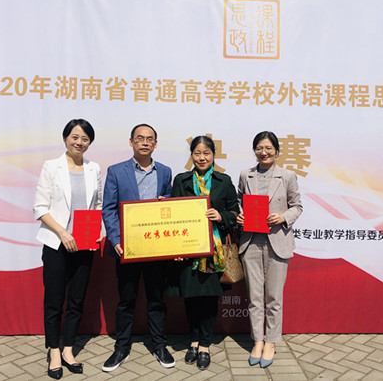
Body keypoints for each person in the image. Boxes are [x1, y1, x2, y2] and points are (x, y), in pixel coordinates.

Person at [101, 124, 175, 372]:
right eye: (140, 138)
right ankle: (122, 347)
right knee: (126, 300)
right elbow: (109, 209)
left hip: (156, 248)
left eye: (149, 139)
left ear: (155, 144)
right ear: (131, 142)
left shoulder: (165, 171)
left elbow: (169, 205)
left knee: (156, 299)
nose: (145, 142)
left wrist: (167, 202)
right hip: (127, 248)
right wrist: (116, 240)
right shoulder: (116, 171)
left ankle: (159, 345)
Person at [33, 118, 103, 379]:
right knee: (54, 300)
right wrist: (63, 233)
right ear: (65, 139)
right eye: (75, 137)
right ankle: (53, 351)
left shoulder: (94, 169)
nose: (79, 142)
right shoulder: (52, 166)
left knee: (76, 299)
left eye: (85, 139)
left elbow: (97, 205)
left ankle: (68, 349)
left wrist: (96, 234)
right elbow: (40, 207)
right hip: (56, 244)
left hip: (84, 244)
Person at [168, 135, 239, 370]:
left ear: (213, 156)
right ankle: (194, 340)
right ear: (191, 156)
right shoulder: (181, 180)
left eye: (206, 153)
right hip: (189, 250)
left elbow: (235, 213)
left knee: (209, 299)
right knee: (191, 298)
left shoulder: (224, 181)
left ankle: (205, 345)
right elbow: (174, 213)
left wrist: (221, 216)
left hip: (214, 253)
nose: (202, 157)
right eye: (197, 153)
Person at [236, 131, 303, 369]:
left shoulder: (287, 176)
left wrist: (283, 217)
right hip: (251, 242)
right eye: (259, 148)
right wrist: (240, 216)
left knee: (274, 297)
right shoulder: (246, 175)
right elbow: (239, 202)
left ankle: (271, 342)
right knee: (255, 297)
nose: (263, 152)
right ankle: (257, 341)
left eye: (268, 148)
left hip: (277, 242)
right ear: (254, 151)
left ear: (276, 151)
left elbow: (297, 206)